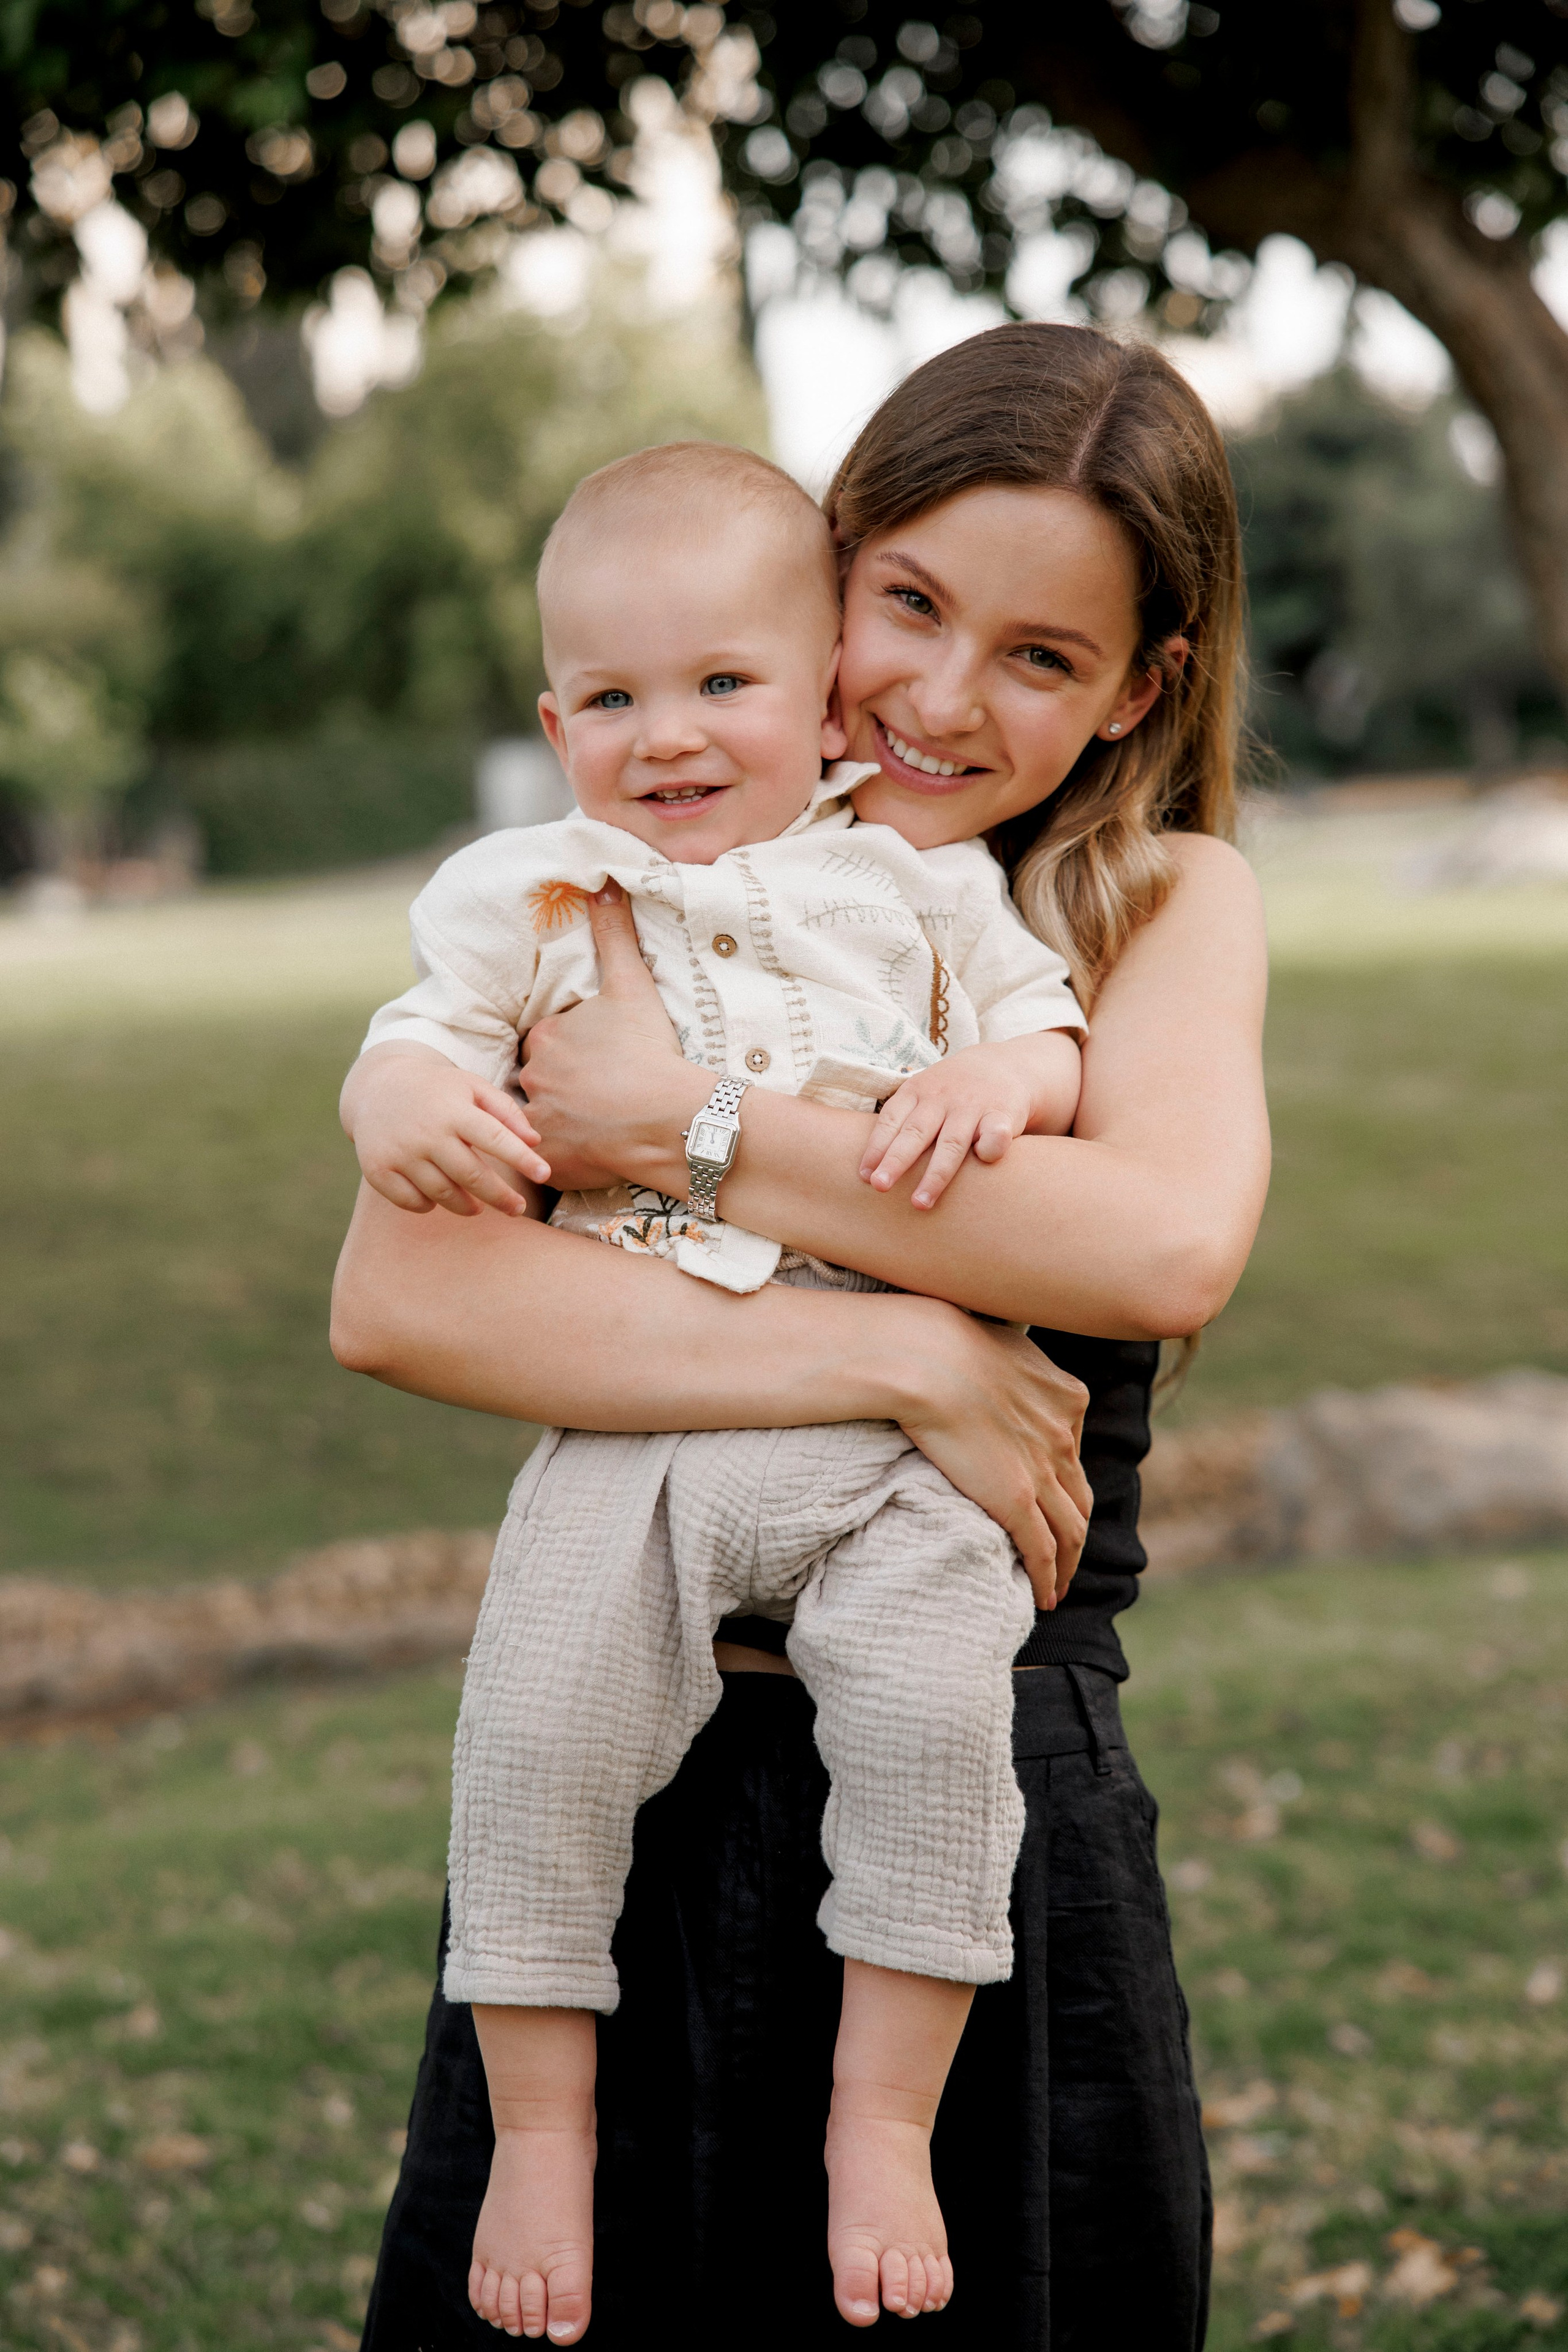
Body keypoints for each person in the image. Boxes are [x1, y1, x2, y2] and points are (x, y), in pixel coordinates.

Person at [334, 321, 1271, 2350]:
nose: (941, 696)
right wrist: (908, 1358)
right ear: (827, 567)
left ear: (1142, 687)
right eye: (909, 604)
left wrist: (679, 1125)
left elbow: (1160, 1245)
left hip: (966, 1800)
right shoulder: (624, 891)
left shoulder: (1145, 907)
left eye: (1040, 653)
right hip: (628, 1792)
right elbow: (406, 1291)